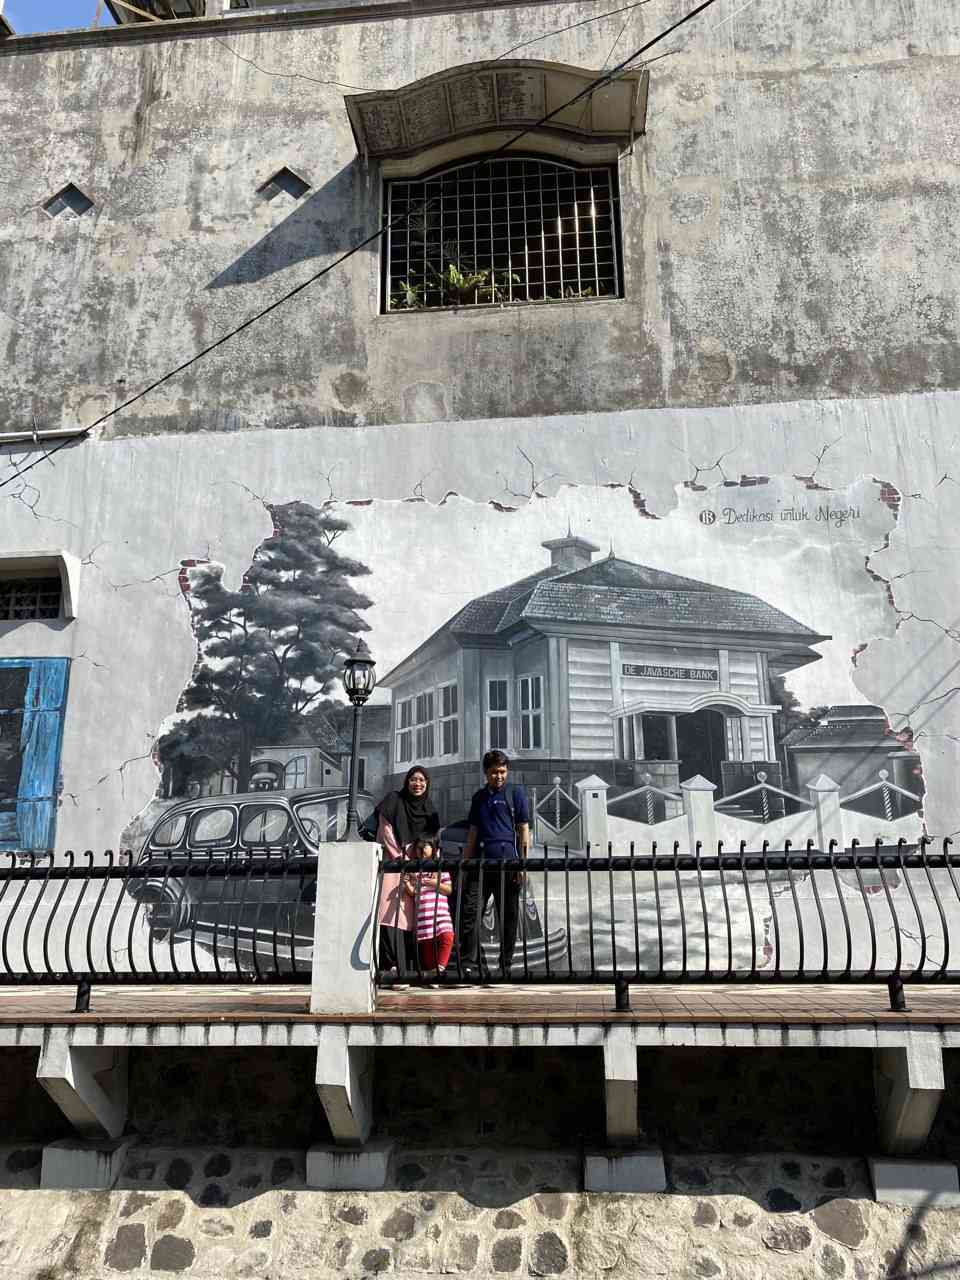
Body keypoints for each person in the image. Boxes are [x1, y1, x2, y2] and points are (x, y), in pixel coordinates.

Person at [458, 750, 530, 978]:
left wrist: (522, 864)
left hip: (508, 865)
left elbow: (523, 830)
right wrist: (465, 864)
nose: (499, 776)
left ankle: (505, 965)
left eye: (502, 771)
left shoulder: (515, 793)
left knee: (508, 917)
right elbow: (472, 833)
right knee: (471, 912)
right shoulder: (479, 797)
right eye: (494, 772)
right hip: (480, 865)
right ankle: (470, 963)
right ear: (485, 773)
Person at [375, 766, 440, 983]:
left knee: (418, 918)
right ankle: (391, 966)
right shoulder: (394, 800)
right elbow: (385, 830)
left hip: (420, 866)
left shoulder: (429, 809)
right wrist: (401, 860)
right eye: (413, 779)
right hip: (396, 864)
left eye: (422, 780)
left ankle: (415, 970)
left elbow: (433, 839)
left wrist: (425, 862)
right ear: (407, 782)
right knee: (391, 916)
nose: (418, 784)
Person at [403, 836, 455, 984]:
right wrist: (407, 885)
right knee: (427, 945)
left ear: (433, 849)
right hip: (424, 916)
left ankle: (440, 967)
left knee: (447, 936)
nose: (421, 850)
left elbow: (449, 889)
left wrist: (434, 882)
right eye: (419, 847)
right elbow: (414, 892)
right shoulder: (416, 871)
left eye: (425, 846)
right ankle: (433, 975)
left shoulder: (440, 869)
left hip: (440, 914)